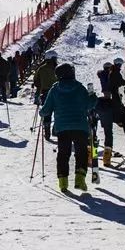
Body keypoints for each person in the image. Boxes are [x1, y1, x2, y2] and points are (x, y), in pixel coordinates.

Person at [40, 63, 96, 192]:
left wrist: (41, 111)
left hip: (62, 128)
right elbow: (89, 105)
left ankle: (63, 182)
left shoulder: (54, 90)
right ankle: (80, 179)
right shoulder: (80, 88)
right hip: (80, 126)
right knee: (81, 153)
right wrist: (92, 96)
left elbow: (46, 110)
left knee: (63, 154)